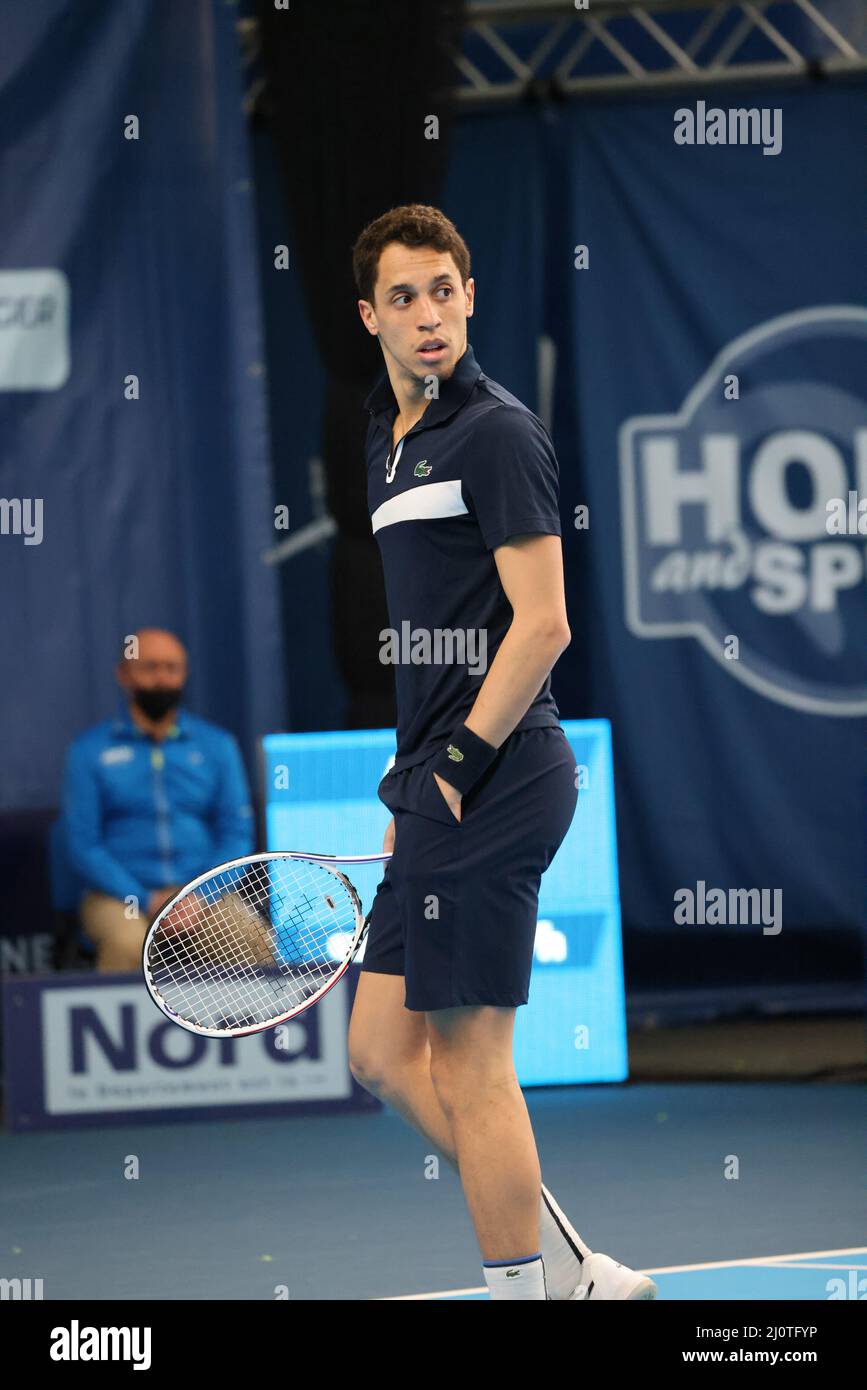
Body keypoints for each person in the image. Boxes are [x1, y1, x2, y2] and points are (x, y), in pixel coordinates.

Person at [347, 204, 656, 1301]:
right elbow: (436, 636)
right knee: (383, 1053)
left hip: (503, 770)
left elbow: (543, 624)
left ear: (470, 298)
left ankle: (531, 1296)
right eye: (403, 297)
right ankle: (582, 1273)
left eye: (444, 290)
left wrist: (455, 768)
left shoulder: (496, 432)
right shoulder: (385, 441)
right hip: (440, 777)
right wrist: (414, 782)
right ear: (369, 317)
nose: (427, 315)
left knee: (472, 1066)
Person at [61, 628, 255, 972]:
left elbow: (236, 832)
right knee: (127, 943)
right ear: (124, 675)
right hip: (121, 897)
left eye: (172, 668)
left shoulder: (217, 745)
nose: (162, 678)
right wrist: (142, 896)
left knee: (247, 936)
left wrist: (198, 895)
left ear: (185, 674)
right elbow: (83, 843)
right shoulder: (89, 751)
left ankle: (251, 1028)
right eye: (149, 668)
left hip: (201, 895)